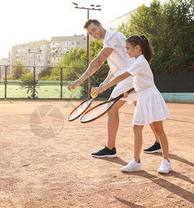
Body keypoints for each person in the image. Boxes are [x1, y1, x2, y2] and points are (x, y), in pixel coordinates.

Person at [68, 20, 160, 158]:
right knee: (143, 109)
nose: (93, 34)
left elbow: (98, 62)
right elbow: (114, 69)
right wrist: (103, 85)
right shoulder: (112, 40)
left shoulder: (112, 37)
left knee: (112, 108)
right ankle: (159, 142)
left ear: (100, 25)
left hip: (129, 78)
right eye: (90, 33)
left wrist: (79, 81)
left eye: (94, 30)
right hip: (131, 77)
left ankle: (110, 148)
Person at [91, 35, 171, 173]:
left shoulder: (140, 61)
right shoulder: (138, 61)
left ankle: (166, 162)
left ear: (137, 48)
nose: (127, 51)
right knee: (137, 128)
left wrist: (102, 88)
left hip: (151, 98)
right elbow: (140, 83)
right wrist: (129, 92)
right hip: (142, 97)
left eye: (128, 48)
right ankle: (136, 162)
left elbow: (122, 76)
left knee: (159, 130)